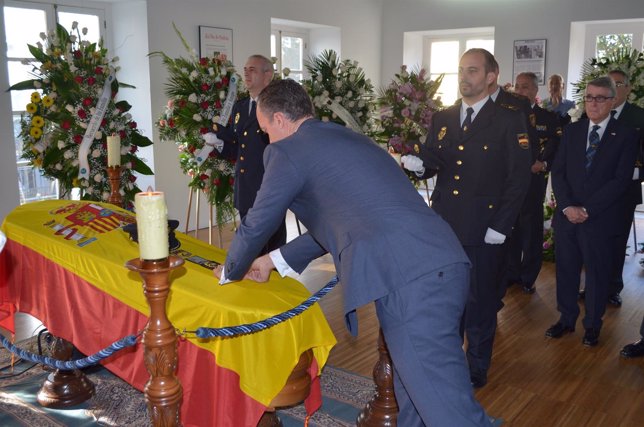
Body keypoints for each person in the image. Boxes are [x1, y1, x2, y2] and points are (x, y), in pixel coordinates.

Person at [213, 79, 493, 426]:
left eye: (266, 130)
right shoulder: (346, 138)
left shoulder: (287, 150)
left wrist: (229, 271)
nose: (266, 139)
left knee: (449, 411)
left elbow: (257, 221)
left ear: (281, 120)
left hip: (409, 277)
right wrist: (271, 261)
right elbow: (342, 221)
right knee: (415, 395)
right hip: (435, 264)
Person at [402, 48, 532, 389]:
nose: (464, 77)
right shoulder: (444, 117)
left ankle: (477, 364)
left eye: (472, 71)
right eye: (461, 70)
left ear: (490, 77)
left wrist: (501, 226)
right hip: (445, 224)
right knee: (445, 299)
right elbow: (437, 159)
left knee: (480, 300)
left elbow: (519, 178)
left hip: (485, 227)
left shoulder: (507, 119)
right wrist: (420, 165)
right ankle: (447, 360)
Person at [546, 76, 638, 347]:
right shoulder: (572, 131)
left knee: (597, 274)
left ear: (612, 101)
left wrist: (587, 209)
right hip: (567, 217)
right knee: (566, 270)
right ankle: (566, 318)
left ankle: (592, 325)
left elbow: (620, 180)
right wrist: (566, 207)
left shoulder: (626, 135)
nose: (593, 103)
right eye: (589, 97)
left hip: (599, 218)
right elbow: (558, 172)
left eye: (600, 98)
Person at [213, 54, 286, 254]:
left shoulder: (277, 107)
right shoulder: (241, 107)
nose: (246, 73)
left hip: (267, 185)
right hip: (245, 185)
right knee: (250, 244)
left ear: (267, 75)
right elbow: (239, 148)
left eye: (252, 69)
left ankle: (275, 282)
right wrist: (219, 144)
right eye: (245, 69)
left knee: (271, 244)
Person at [507, 72, 561, 294]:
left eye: (526, 87)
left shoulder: (546, 117)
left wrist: (543, 162)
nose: (521, 91)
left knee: (530, 229)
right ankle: (511, 273)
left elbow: (556, 143)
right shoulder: (505, 117)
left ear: (536, 91)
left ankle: (528, 276)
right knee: (510, 227)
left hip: (532, 179)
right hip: (508, 181)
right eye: (518, 87)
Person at [605, 69, 644, 307]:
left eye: (618, 84)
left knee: (617, 241)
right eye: (609, 83)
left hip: (625, 189)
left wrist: (634, 172)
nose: (613, 88)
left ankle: (612, 287)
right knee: (594, 241)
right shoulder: (595, 112)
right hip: (594, 192)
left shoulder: (639, 117)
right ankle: (593, 285)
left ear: (629, 89)